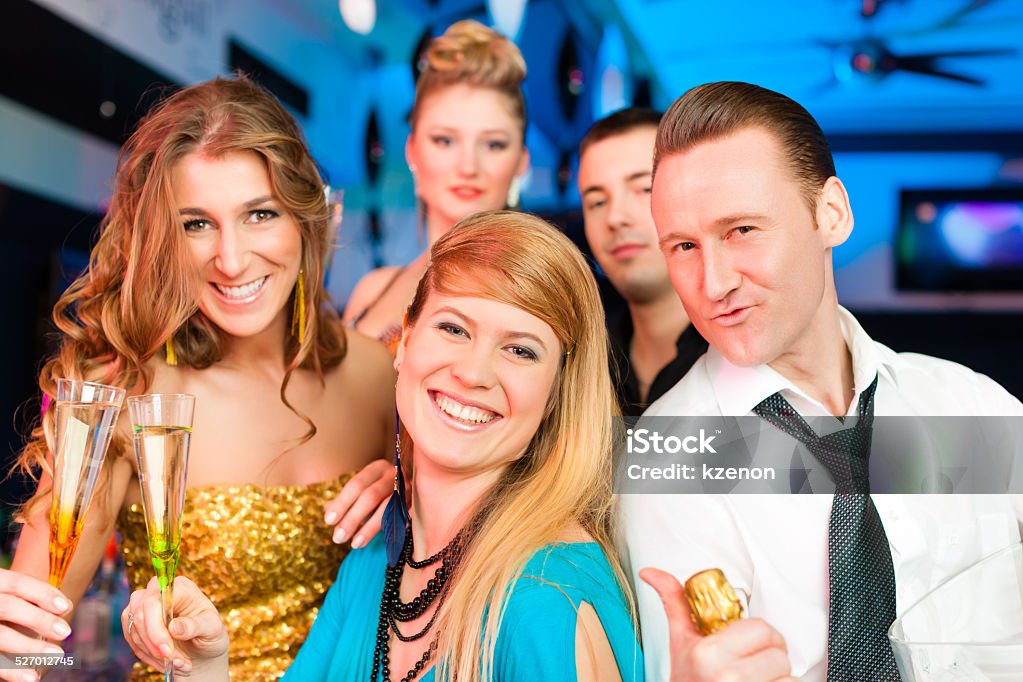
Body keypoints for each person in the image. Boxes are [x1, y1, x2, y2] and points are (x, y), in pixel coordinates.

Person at [123, 211, 644, 681]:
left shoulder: (544, 600)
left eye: (520, 349)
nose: (472, 372)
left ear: (555, 394)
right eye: (453, 328)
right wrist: (207, 666)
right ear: (405, 343)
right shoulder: (376, 562)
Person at [620, 81, 1023, 681]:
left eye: (742, 231)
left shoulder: (971, 406)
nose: (712, 283)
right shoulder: (675, 459)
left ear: (830, 213)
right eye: (683, 245)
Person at [4, 76, 397, 681]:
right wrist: (14, 651)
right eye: (196, 224)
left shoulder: (386, 377)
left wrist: (412, 491)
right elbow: (31, 638)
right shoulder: (127, 394)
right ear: (163, 237)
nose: (232, 259)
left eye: (259, 214)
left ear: (304, 217)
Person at [343, 20, 530, 350]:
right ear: (412, 151)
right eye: (444, 140)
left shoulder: (534, 295)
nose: (468, 166)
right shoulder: (373, 289)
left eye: (494, 145)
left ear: (521, 162)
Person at [577, 108, 706, 415]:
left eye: (644, 189)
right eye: (597, 201)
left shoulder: (751, 359)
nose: (616, 217)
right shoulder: (579, 368)